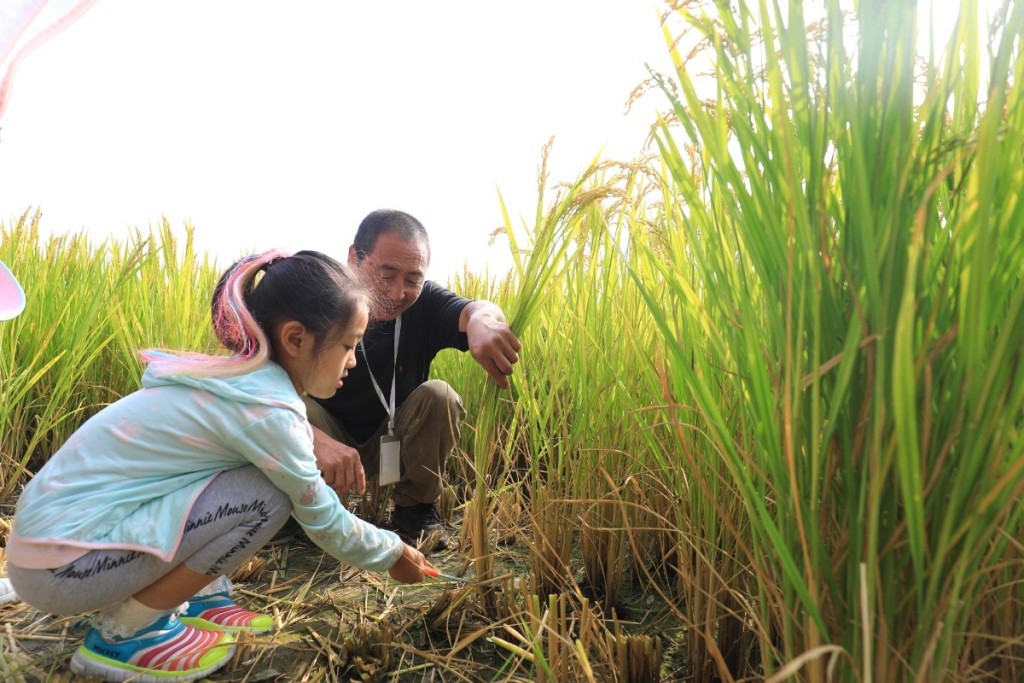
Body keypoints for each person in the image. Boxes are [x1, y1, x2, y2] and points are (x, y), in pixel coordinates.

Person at [6, 250, 432, 683]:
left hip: (48, 551)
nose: (353, 361)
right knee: (269, 496)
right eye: (348, 345)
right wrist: (392, 552)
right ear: (296, 339)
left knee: (251, 477)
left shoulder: (238, 381)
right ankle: (127, 633)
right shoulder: (267, 410)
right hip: (61, 569)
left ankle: (198, 597)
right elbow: (323, 519)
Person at [301, 209, 522, 550]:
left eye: (412, 280)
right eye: (385, 275)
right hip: (328, 437)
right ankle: (309, 510)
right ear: (353, 258)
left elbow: (475, 310)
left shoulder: (424, 305)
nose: (396, 293)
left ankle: (415, 510)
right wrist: (312, 437)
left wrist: (485, 321)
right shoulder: (317, 302)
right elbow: (258, 389)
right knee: (296, 406)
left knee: (439, 396)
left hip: (391, 433)